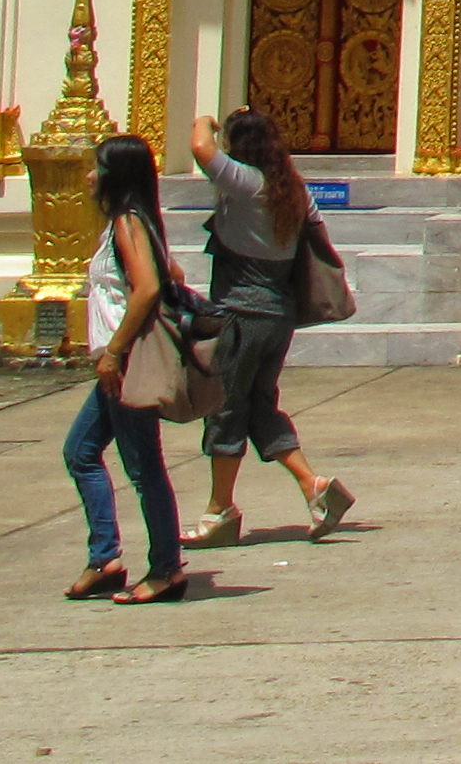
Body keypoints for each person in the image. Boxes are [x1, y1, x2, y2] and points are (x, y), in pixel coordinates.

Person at [183, 106, 354, 545]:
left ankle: (219, 509)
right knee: (257, 407)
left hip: (242, 314)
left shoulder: (246, 184)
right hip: (278, 315)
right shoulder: (293, 190)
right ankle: (312, 486)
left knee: (225, 409)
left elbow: (200, 148)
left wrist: (208, 119)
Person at [66, 135, 190, 603]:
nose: (90, 176)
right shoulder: (133, 225)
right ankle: (106, 557)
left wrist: (115, 350)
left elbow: (147, 289)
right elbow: (170, 275)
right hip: (115, 364)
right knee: (80, 451)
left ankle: (166, 568)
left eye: (97, 167)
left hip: (126, 364)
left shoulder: (127, 223)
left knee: (143, 467)